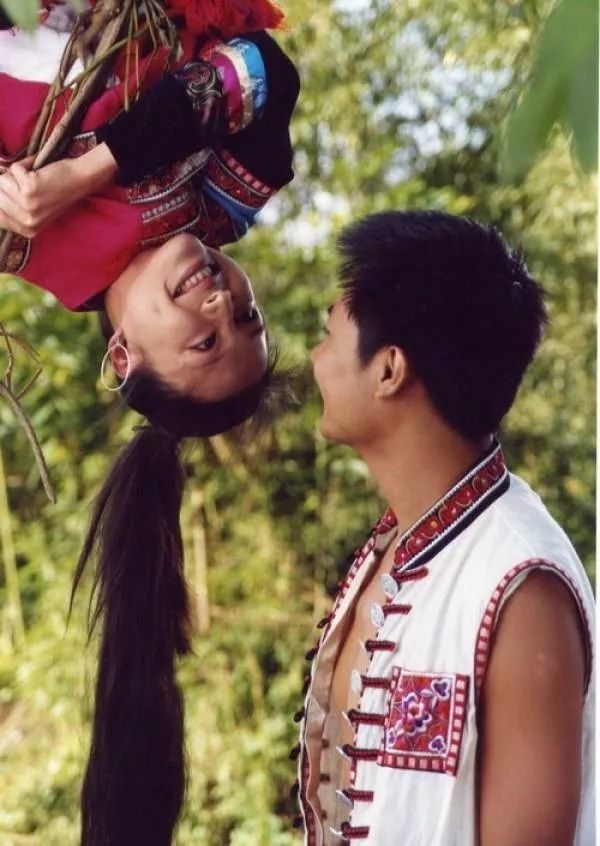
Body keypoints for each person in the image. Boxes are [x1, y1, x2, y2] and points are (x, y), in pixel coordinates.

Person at [292, 210, 594, 845]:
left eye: (328, 334)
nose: (316, 358)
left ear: (388, 369)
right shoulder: (398, 543)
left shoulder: (521, 586)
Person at [0, 0, 299, 403]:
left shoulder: (13, 246)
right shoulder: (223, 205)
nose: (222, 303)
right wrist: (85, 173)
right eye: (248, 316)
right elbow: (260, 70)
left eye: (206, 342)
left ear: (123, 357)